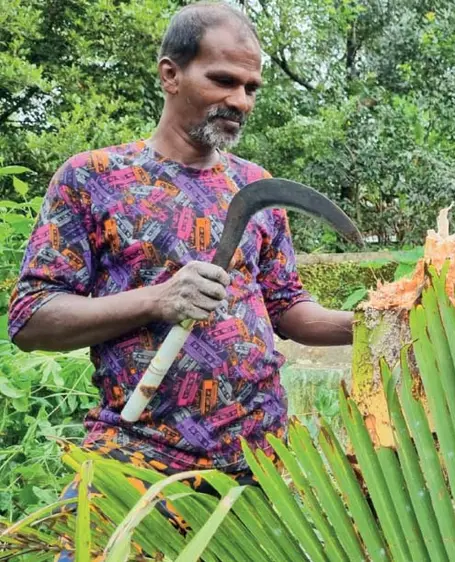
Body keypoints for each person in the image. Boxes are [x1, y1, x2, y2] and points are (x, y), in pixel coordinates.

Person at [8, 2, 353, 484]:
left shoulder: (255, 185)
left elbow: (287, 307)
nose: (241, 101)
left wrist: (381, 322)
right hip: (139, 460)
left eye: (251, 88)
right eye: (224, 80)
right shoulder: (94, 178)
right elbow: (30, 319)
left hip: (260, 467)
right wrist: (159, 299)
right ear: (171, 74)